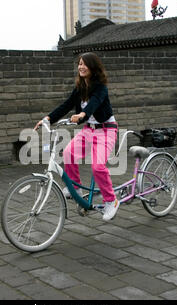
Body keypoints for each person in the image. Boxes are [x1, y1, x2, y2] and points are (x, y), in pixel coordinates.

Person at [34, 52, 120, 221]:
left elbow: (94, 103)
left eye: (84, 64)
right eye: (79, 63)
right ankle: (75, 188)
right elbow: (66, 105)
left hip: (106, 130)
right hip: (89, 130)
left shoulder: (101, 87)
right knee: (68, 153)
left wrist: (82, 114)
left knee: (98, 167)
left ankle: (111, 200)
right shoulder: (80, 88)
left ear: (93, 68)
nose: (81, 67)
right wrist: (48, 118)